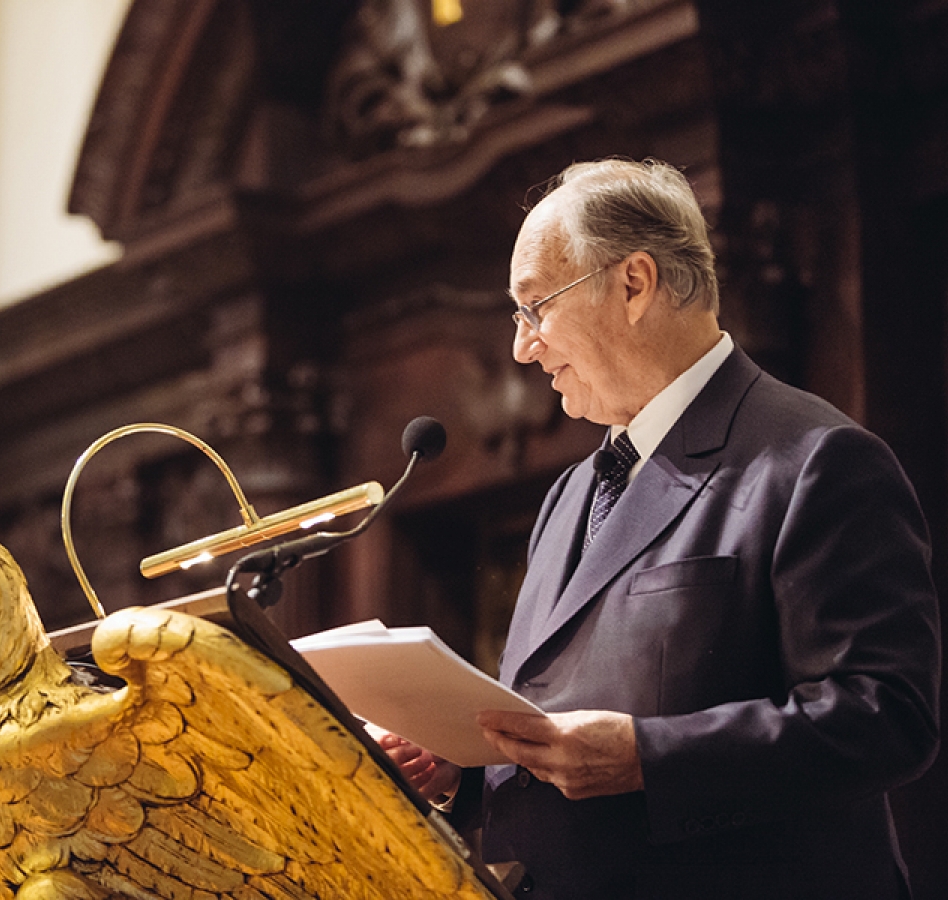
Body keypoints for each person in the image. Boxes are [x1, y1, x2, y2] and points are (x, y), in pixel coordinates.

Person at [381, 158, 941, 899]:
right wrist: (466, 771)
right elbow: (567, 730)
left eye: (534, 307)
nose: (523, 346)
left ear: (634, 283)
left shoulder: (816, 460)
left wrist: (650, 757)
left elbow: (886, 716)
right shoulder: (568, 495)